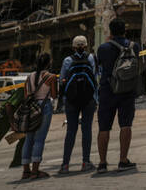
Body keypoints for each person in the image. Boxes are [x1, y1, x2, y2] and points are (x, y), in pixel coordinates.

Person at [96, 18, 139, 173]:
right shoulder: (135, 46)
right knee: (126, 125)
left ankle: (102, 163)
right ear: (125, 31)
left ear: (111, 32)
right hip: (127, 92)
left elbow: (99, 66)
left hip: (108, 91)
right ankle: (123, 160)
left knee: (104, 128)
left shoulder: (103, 48)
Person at [58, 35, 97, 174]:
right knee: (86, 130)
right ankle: (85, 162)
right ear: (86, 46)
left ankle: (65, 165)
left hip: (71, 101)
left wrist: (63, 99)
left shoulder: (68, 60)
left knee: (71, 131)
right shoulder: (91, 58)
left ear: (73, 47)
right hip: (88, 100)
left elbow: (62, 80)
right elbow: (95, 76)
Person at [21, 52, 57, 179]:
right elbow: (53, 95)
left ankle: (26, 171)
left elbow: (26, 95)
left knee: (28, 139)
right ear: (49, 63)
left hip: (30, 108)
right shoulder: (51, 77)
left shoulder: (29, 77)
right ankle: (35, 171)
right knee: (39, 139)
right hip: (44, 107)